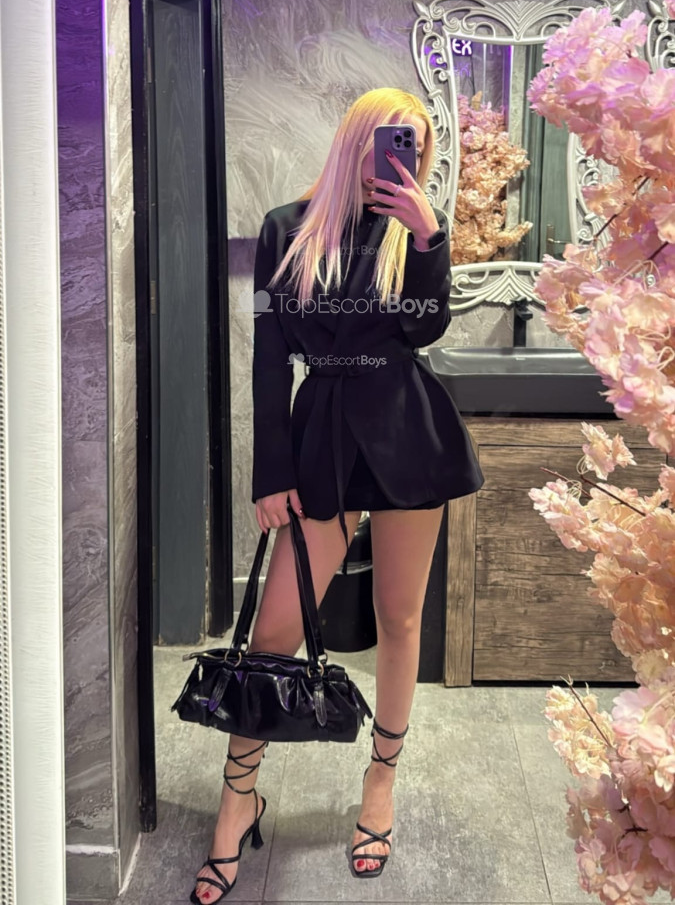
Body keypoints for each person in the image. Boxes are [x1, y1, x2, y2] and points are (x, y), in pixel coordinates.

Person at [191, 88, 484, 903]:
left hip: (406, 429)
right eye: (388, 140)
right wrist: (269, 473)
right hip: (318, 431)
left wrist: (426, 237)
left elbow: (424, 329)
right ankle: (238, 799)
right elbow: (266, 357)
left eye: (413, 146)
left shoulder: (413, 232)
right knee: (273, 631)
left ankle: (379, 782)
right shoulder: (286, 228)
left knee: (398, 618)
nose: (398, 158)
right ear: (354, 139)